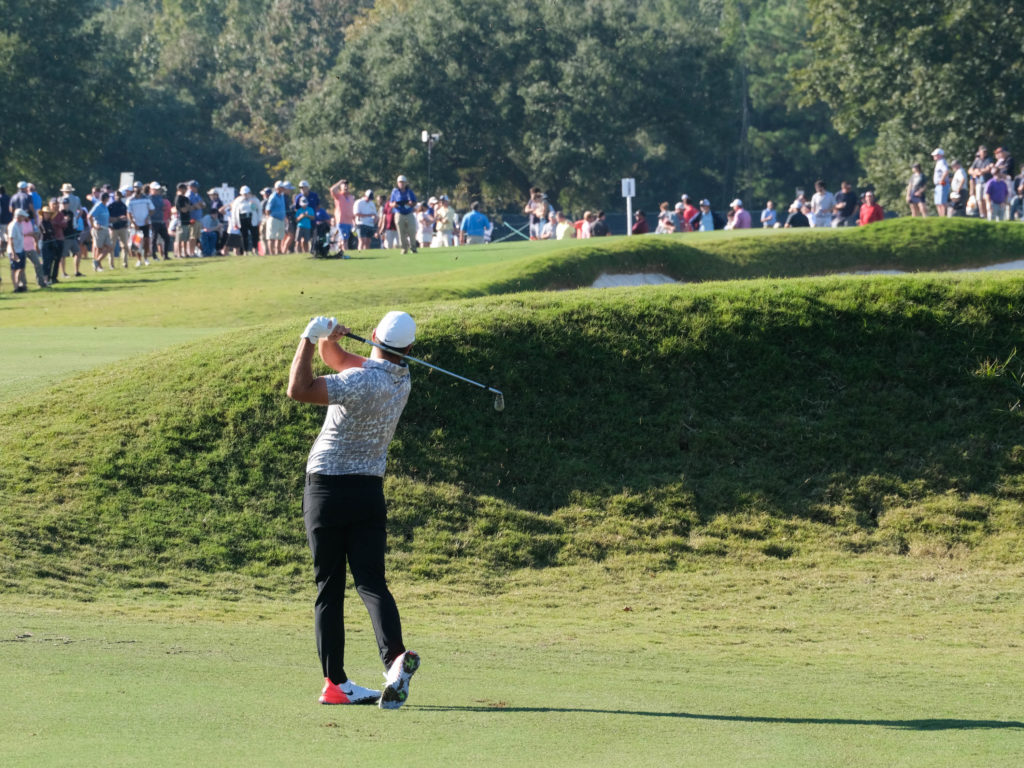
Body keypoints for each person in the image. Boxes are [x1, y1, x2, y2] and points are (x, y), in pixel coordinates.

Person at [286, 311, 422, 709]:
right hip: (368, 492)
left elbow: (299, 389)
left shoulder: (360, 381)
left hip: (327, 489)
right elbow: (340, 360)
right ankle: (395, 660)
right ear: (408, 350)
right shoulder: (402, 379)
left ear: (375, 335)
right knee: (371, 582)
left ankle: (336, 684)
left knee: (329, 588)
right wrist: (330, 338)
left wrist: (308, 338)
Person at [389, 176, 418, 254]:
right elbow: (390, 203)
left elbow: (415, 202)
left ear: (405, 183)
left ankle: (413, 247)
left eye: (402, 182)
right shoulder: (394, 192)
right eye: (400, 182)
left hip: (409, 213)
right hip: (399, 213)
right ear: (397, 183)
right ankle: (404, 248)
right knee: (401, 232)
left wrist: (411, 203)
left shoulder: (409, 192)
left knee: (412, 230)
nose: (401, 184)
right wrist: (394, 204)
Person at [88, 192, 113, 271]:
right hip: (99, 229)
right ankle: (98, 266)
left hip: (105, 229)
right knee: (99, 248)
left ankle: (97, 261)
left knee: (109, 247)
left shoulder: (105, 206)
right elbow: (89, 216)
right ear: (106, 198)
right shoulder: (98, 206)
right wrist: (94, 226)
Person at [108, 189, 131, 267]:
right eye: (116, 195)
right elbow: (109, 218)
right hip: (113, 228)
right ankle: (111, 264)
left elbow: (127, 215)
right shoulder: (111, 206)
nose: (118, 197)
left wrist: (126, 221)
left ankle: (125, 263)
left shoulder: (123, 206)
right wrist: (118, 218)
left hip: (123, 227)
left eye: (119, 195)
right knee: (112, 247)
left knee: (125, 246)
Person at [968, 146, 993, 220]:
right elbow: (970, 170)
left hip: (986, 182)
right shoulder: (977, 160)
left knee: (985, 198)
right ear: (980, 152)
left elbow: (988, 169)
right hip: (979, 182)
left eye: (985, 152)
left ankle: (987, 215)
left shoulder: (989, 159)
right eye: (983, 151)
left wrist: (980, 171)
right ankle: (982, 214)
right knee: (979, 199)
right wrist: (975, 172)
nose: (984, 153)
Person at [264, 181, 287, 254]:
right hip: (273, 218)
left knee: (280, 237)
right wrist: (269, 218)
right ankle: (272, 252)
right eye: (282, 187)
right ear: (278, 188)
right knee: (272, 237)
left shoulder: (282, 196)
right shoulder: (273, 196)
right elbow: (267, 209)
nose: (283, 189)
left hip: (281, 219)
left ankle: (279, 251)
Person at [932, 148, 950, 216]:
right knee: (938, 202)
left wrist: (941, 180)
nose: (934, 156)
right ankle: (940, 216)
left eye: (935, 155)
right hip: (938, 185)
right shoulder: (939, 162)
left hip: (942, 184)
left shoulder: (942, 162)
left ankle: (943, 217)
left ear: (939, 155)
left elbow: (946, 171)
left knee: (942, 202)